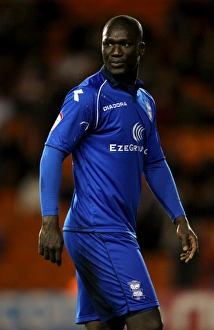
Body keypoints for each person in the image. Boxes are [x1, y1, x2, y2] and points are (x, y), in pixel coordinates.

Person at [38, 15, 199, 330]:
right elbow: (51, 152)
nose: (115, 51)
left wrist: (180, 219)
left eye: (124, 44)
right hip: (98, 229)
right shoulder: (87, 97)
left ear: (140, 49)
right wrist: (48, 221)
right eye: (108, 44)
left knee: (103, 327)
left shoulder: (145, 102)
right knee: (148, 324)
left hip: (114, 230)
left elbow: (154, 163)